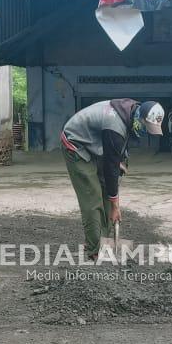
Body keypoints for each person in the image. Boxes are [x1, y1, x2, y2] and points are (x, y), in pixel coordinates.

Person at [61, 99, 165, 260]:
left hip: (97, 142)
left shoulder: (131, 112)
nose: (146, 131)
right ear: (140, 118)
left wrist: (121, 160)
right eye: (146, 126)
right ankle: (95, 250)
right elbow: (110, 167)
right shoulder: (114, 125)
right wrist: (116, 204)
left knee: (107, 194)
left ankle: (101, 239)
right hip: (76, 143)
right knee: (93, 197)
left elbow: (120, 146)